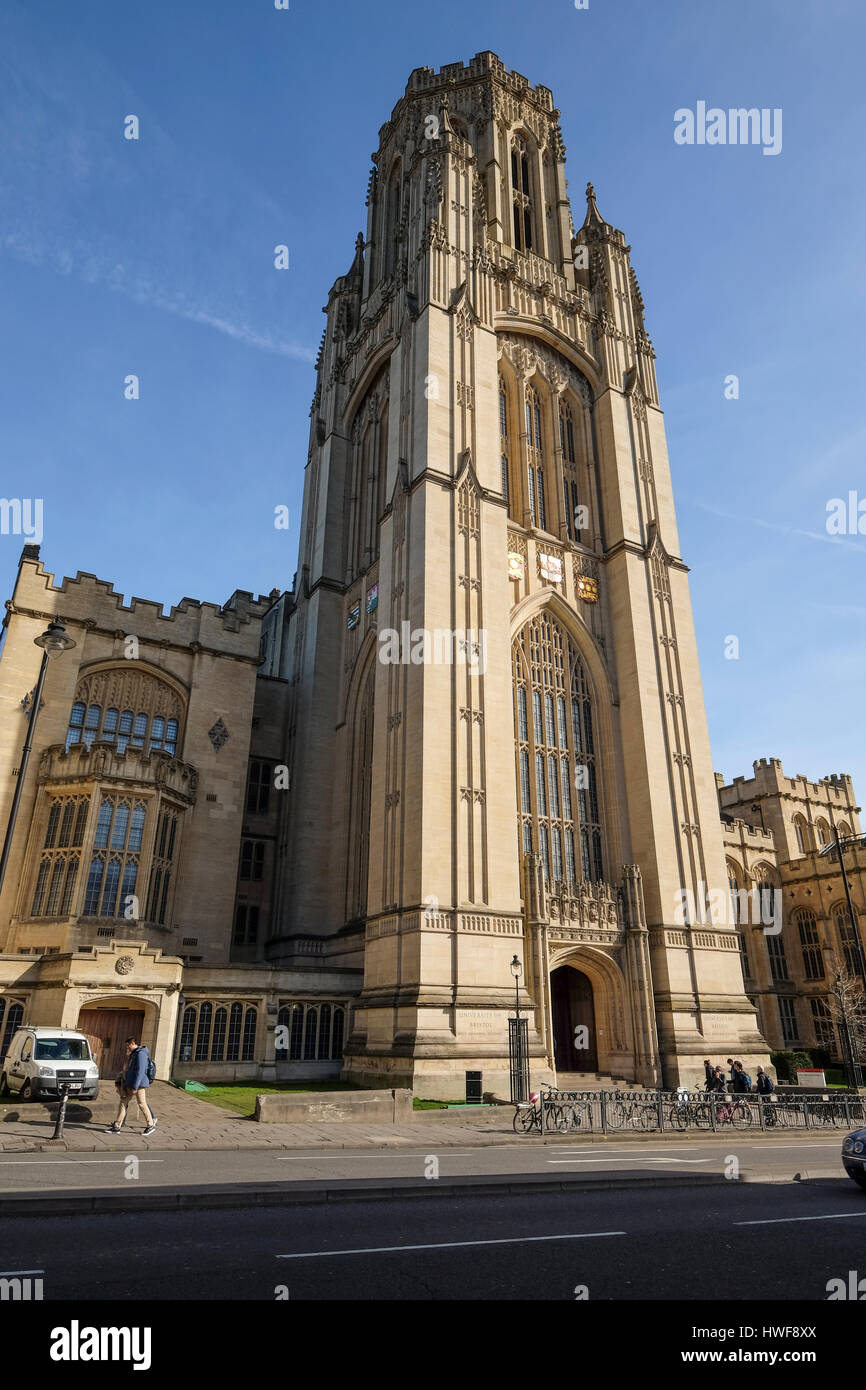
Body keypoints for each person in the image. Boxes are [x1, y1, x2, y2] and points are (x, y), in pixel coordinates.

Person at [104, 1037, 158, 1136]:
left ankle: (150, 1125)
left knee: (141, 1103)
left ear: (133, 1043)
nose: (127, 1047)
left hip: (138, 1084)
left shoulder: (140, 1054)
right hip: (132, 1083)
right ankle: (117, 1126)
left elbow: (140, 1072)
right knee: (123, 1102)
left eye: (128, 1045)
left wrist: (135, 1087)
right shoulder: (135, 1053)